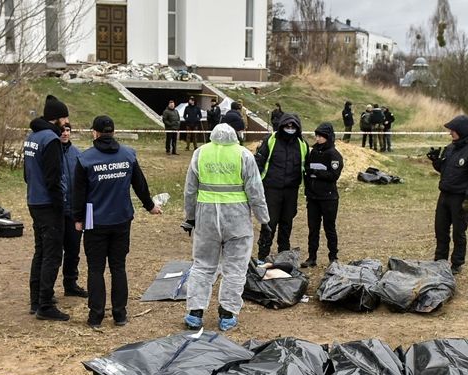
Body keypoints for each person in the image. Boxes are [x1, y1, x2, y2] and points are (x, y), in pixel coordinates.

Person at [73, 115, 162, 329]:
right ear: (113, 132)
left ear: (94, 132)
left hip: (95, 221)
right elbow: (140, 184)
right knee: (118, 267)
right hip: (122, 219)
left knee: (95, 269)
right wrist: (150, 206)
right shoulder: (128, 155)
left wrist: (78, 219)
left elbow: (79, 193)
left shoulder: (85, 159)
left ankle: (96, 316)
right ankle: (120, 315)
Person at [181, 123, 269, 332]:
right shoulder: (243, 155)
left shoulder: (200, 153)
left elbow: (190, 190)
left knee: (202, 266)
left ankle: (195, 312)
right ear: (237, 134)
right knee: (235, 268)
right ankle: (227, 313)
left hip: (207, 219)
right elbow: (255, 189)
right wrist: (264, 219)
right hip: (237, 221)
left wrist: (190, 218)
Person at [24, 95, 70, 320]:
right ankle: (45, 305)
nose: (67, 122)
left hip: (33, 200)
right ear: (57, 118)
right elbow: (53, 179)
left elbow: (26, 174)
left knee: (40, 251)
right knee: (52, 254)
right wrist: (59, 205)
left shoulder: (32, 136)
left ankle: (36, 299)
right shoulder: (50, 140)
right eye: (65, 117)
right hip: (48, 204)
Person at [428, 114, 468, 274]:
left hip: (460, 197)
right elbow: (445, 170)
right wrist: (436, 161)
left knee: (459, 232)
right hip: (445, 194)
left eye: (453, 130)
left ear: (462, 130)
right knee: (440, 229)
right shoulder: (451, 147)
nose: (450, 133)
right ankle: (440, 260)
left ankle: (457, 263)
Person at [253, 112, 306, 260]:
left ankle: (284, 255)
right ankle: (262, 256)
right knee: (269, 223)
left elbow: (306, 167)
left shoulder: (302, 144)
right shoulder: (270, 141)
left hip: (291, 190)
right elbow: (258, 162)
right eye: (287, 125)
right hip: (271, 189)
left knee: (287, 223)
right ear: (282, 126)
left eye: (293, 126)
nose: (290, 128)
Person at [302, 123, 344, 267]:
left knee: (329, 227)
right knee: (313, 229)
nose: (318, 138)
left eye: (321, 136)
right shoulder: (313, 152)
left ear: (327, 137)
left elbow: (334, 175)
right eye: (317, 136)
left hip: (328, 197)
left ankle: (333, 257)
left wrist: (316, 173)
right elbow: (306, 170)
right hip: (313, 197)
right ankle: (311, 257)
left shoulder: (334, 154)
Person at [59, 123, 87, 298]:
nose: (65, 133)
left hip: (73, 210)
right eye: (62, 130)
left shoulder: (77, 154)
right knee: (53, 252)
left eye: (68, 130)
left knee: (73, 250)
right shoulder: (52, 152)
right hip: (56, 211)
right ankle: (45, 290)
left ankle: (70, 284)